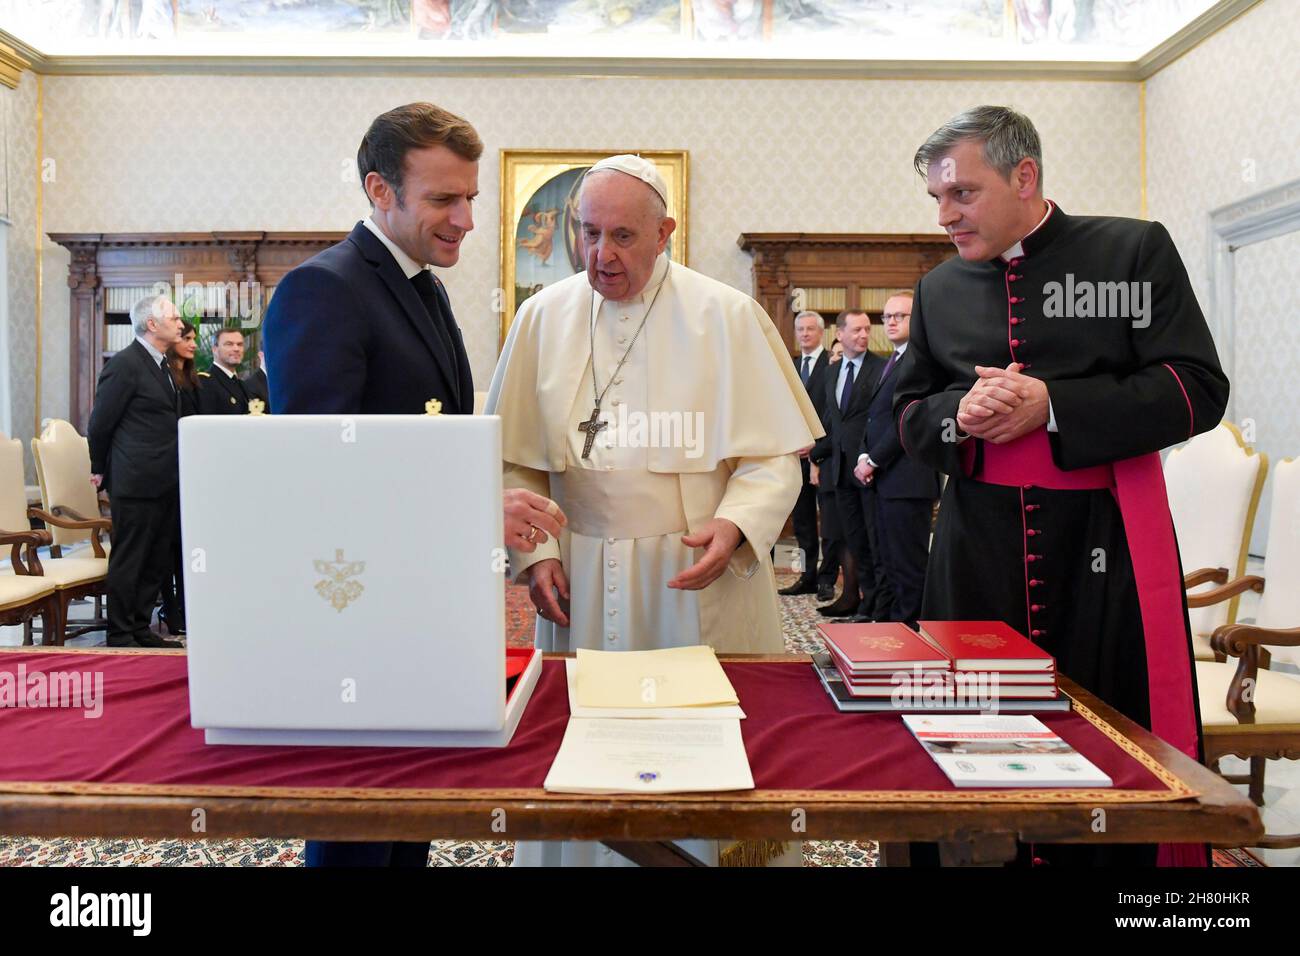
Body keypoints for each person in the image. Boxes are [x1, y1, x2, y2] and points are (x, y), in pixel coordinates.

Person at [895, 105, 1228, 866]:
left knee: (1112, 747)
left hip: (1105, 541)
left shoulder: (1130, 251)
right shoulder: (940, 289)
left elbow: (1196, 387)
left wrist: (1056, 408)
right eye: (937, 199)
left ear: (1025, 175)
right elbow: (907, 413)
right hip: (976, 549)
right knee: (973, 748)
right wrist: (960, 415)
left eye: (963, 195)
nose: (946, 215)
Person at [486, 154, 821, 866]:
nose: (600, 256)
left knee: (702, 755)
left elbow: (771, 459)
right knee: (580, 760)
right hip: (578, 575)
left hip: (691, 575)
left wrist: (734, 527)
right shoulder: (544, 316)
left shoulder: (724, 315)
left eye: (623, 237)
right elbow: (515, 459)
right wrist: (538, 553)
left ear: (665, 231)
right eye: (586, 233)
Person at [263, 101, 566, 868]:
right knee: (361, 830)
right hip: (358, 618)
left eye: (469, 197)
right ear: (379, 190)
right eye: (444, 199)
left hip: (420, 607)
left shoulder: (421, 283)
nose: (467, 218)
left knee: (409, 824)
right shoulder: (323, 290)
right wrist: (470, 508)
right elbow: (318, 472)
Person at [86, 294, 186, 649]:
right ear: (152, 325)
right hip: (136, 480)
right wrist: (98, 467)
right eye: (173, 318)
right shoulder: (126, 364)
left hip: (164, 479)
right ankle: (120, 633)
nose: (180, 323)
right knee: (132, 558)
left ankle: (140, 628)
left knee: (155, 558)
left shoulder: (161, 364)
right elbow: (100, 424)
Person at [852, 291, 940, 627]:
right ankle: (889, 629)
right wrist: (864, 454)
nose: (889, 322)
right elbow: (874, 417)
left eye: (899, 316)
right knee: (886, 562)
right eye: (886, 316)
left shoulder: (920, 360)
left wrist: (872, 460)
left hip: (907, 479)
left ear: (916, 319)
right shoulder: (893, 359)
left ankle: (912, 636)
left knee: (908, 566)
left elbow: (908, 420)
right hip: (884, 480)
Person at [810, 310, 889, 621]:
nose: (863, 335)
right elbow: (834, 422)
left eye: (867, 329)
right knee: (854, 539)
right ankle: (864, 601)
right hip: (839, 470)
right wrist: (818, 454)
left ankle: (877, 605)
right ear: (840, 334)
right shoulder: (831, 373)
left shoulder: (881, 369)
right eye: (856, 330)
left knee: (874, 540)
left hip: (869, 468)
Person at [778, 310, 834, 596]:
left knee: (829, 523)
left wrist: (816, 445)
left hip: (824, 454)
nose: (804, 334)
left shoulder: (833, 364)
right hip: (795, 455)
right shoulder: (792, 366)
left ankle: (826, 580)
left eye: (810, 329)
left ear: (821, 332)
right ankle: (806, 576)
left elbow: (833, 411)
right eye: (800, 329)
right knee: (801, 523)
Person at [158, 322, 199, 637]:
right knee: (168, 549)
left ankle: (189, 608)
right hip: (168, 471)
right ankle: (171, 611)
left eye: (194, 339)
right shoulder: (164, 377)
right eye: (186, 338)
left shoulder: (195, 380)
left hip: (191, 473)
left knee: (187, 547)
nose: (193, 344)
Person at [198, 328, 252, 415]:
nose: (236, 349)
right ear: (214, 349)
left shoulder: (241, 384)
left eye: (240, 344)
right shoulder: (205, 382)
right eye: (229, 344)